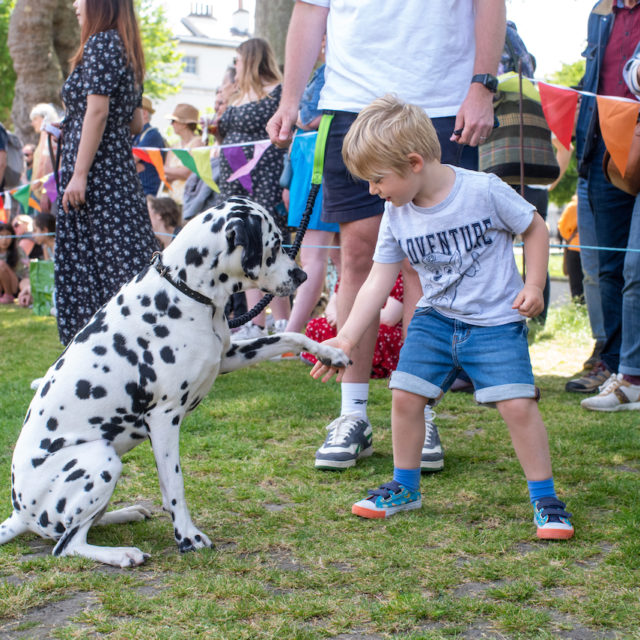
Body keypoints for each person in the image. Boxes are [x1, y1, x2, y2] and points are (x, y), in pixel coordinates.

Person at [310, 95, 574, 539]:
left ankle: (545, 499)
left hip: (495, 322)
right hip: (434, 321)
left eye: (377, 181)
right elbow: (377, 280)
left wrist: (533, 285)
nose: (374, 192)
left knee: (517, 405)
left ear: (413, 162)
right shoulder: (396, 214)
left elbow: (534, 227)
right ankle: (404, 487)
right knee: (405, 397)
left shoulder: (483, 189)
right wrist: (348, 338)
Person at [267, 0, 506, 472]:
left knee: (427, 263)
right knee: (355, 256)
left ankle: (420, 408)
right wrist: (290, 98)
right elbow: (309, 11)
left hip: (439, 101)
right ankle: (352, 414)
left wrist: (483, 85)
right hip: (350, 101)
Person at [55, 0, 159, 345]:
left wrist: (80, 172)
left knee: (98, 266)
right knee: (121, 261)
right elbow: (135, 121)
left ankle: (92, 353)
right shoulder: (126, 49)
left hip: (98, 177)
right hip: (115, 171)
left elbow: (97, 112)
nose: (74, 5)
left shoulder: (101, 43)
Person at [567, 0, 640, 398]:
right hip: (601, 150)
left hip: (638, 141)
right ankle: (610, 364)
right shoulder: (600, 12)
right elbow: (593, 79)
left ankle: (632, 368)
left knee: (635, 266)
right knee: (605, 267)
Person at [218, 37, 289, 339]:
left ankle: (282, 320)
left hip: (264, 178)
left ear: (250, 58)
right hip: (234, 183)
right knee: (241, 249)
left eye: (238, 60)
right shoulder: (235, 95)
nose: (235, 66)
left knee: (270, 246)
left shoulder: (279, 93)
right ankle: (253, 321)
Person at [302, 274, 403, 380]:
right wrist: (336, 315)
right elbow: (332, 304)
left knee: (377, 335)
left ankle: (366, 364)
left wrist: (348, 317)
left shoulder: (398, 275)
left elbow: (389, 318)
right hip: (344, 323)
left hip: (377, 326)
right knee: (316, 325)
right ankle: (330, 356)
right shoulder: (350, 272)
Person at [162, 103, 204, 205]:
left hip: (190, 201)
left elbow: (189, 172)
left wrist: (166, 170)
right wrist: (179, 172)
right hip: (172, 201)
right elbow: (165, 176)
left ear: (184, 124)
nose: (171, 124)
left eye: (173, 121)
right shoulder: (174, 146)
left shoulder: (198, 143)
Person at [132, 95, 166, 196]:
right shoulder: (136, 134)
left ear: (144, 113)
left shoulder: (152, 134)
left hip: (147, 193)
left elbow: (130, 160)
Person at [29, 103, 60, 214]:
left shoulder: (49, 134)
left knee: (46, 225)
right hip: (48, 189)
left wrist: (44, 191)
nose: (32, 123)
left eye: (35, 119)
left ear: (44, 118)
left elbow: (46, 163)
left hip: (49, 190)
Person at [557, 194, 584, 301]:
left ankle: (578, 308)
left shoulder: (572, 206)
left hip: (574, 248)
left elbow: (562, 228)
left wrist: (570, 237)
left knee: (576, 286)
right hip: (592, 250)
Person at [0, 221, 30, 305]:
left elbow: (25, 273)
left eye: (8, 235)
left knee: (1, 264)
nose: (4, 240)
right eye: (1, 235)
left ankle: (8, 295)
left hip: (15, 284)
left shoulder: (18, 251)